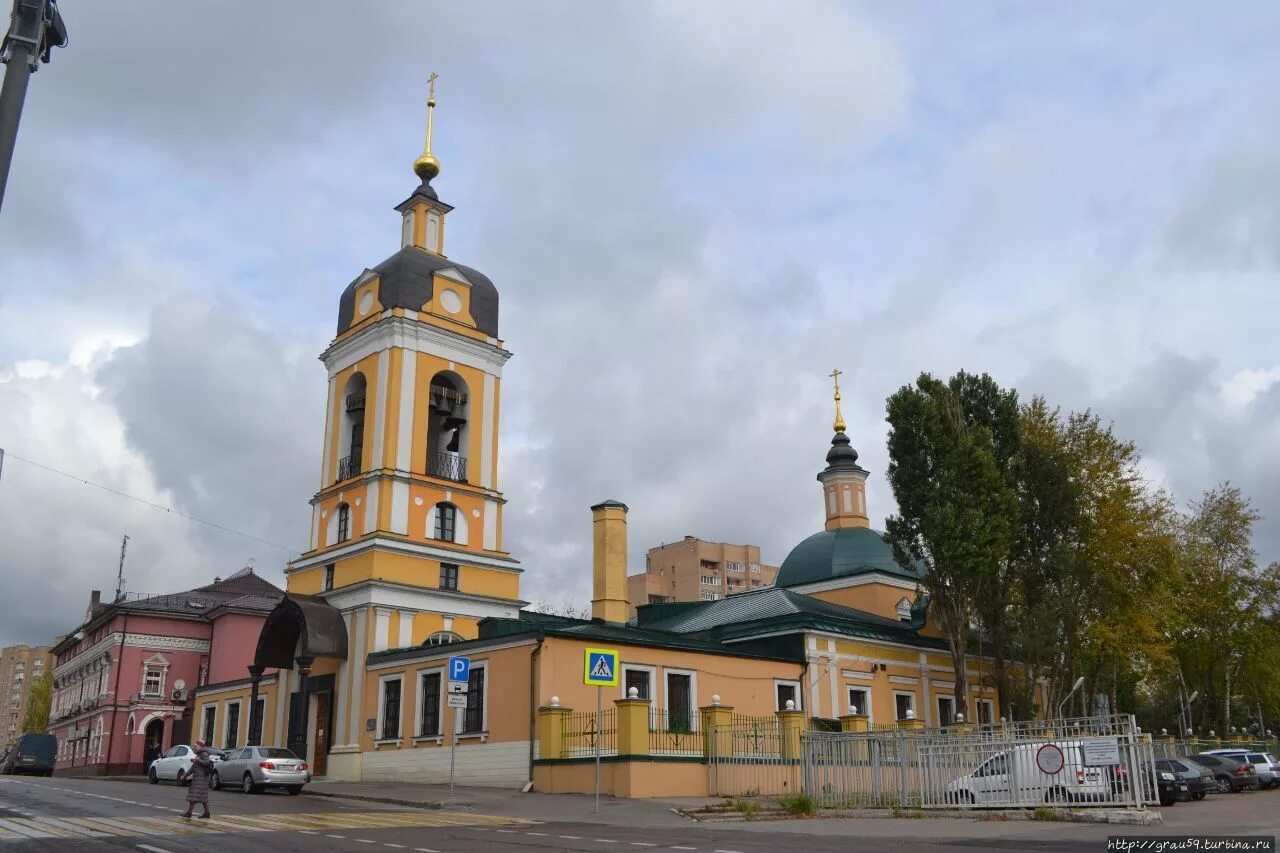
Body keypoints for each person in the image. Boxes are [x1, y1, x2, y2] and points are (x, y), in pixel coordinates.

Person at [181, 741, 213, 819]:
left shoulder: (204, 754)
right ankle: (207, 813)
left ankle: (189, 813)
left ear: (200, 747)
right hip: (199, 778)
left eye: (196, 746)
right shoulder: (199, 755)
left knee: (194, 797)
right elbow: (193, 768)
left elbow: (206, 762)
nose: (195, 748)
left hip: (201, 779)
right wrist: (185, 776)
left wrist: (198, 760)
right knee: (202, 797)